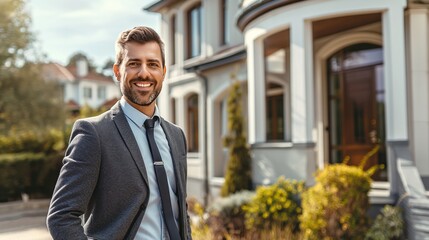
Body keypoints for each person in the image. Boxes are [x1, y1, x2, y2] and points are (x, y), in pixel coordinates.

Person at [47, 26, 192, 240]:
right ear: (117, 71)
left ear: (163, 71)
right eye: (134, 64)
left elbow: (180, 210)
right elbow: (61, 216)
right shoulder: (94, 133)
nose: (144, 72)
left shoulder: (176, 136)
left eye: (152, 64)